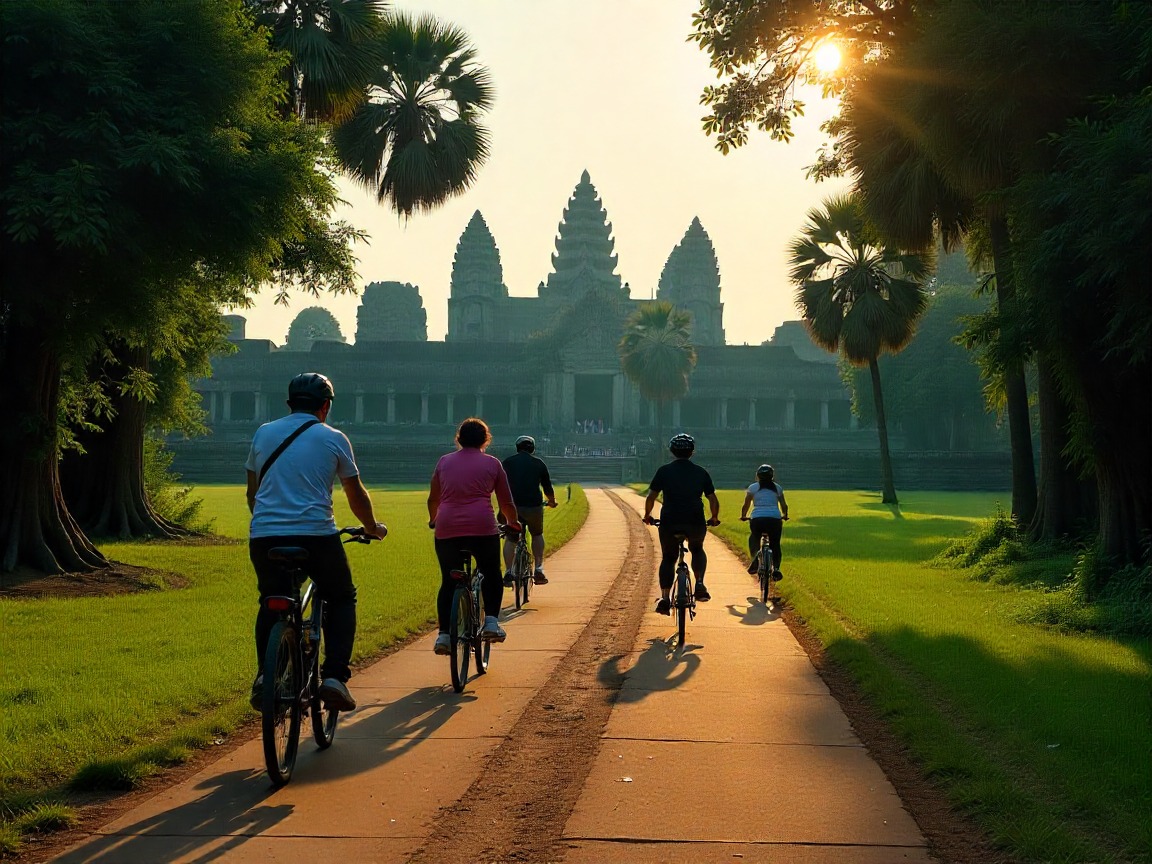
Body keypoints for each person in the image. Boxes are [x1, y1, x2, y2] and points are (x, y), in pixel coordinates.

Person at [245, 372, 386, 713]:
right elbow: (355, 494)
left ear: (289, 404)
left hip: (265, 535)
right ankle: (335, 676)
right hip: (316, 535)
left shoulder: (264, 432)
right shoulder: (334, 437)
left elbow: (253, 493)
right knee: (341, 597)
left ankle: (266, 675)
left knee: (272, 599)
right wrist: (371, 527)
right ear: (326, 406)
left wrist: (268, 522)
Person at [428, 418, 521, 654]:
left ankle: (443, 636)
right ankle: (491, 621)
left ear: (458, 439)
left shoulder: (444, 462)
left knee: (449, 580)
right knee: (490, 571)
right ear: (485, 440)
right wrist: (513, 523)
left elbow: (433, 500)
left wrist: (433, 519)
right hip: (481, 525)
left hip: (447, 526)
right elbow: (506, 502)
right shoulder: (492, 463)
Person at [642, 433, 721, 615]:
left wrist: (647, 515)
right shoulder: (701, 472)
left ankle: (664, 597)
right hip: (695, 520)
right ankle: (699, 583)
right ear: (692, 452)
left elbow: (651, 497)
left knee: (669, 558)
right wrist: (714, 517)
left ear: (672, 451)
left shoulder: (664, 471)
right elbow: (712, 499)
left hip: (670, 520)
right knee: (697, 549)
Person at [501, 435, 558, 585]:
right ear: (532, 448)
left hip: (512, 507)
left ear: (517, 448)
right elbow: (547, 487)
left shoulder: (507, 463)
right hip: (533, 506)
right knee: (537, 534)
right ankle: (538, 568)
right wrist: (552, 502)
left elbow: (500, 485)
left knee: (511, 538)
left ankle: (508, 571)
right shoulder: (538, 463)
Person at [739, 464, 790, 576]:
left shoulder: (753, 487)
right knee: (775, 543)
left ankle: (755, 560)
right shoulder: (777, 487)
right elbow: (784, 505)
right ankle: (776, 568)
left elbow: (746, 505)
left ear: (758, 476)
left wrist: (743, 516)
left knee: (754, 538)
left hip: (757, 519)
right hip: (774, 519)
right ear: (772, 476)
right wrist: (785, 515)